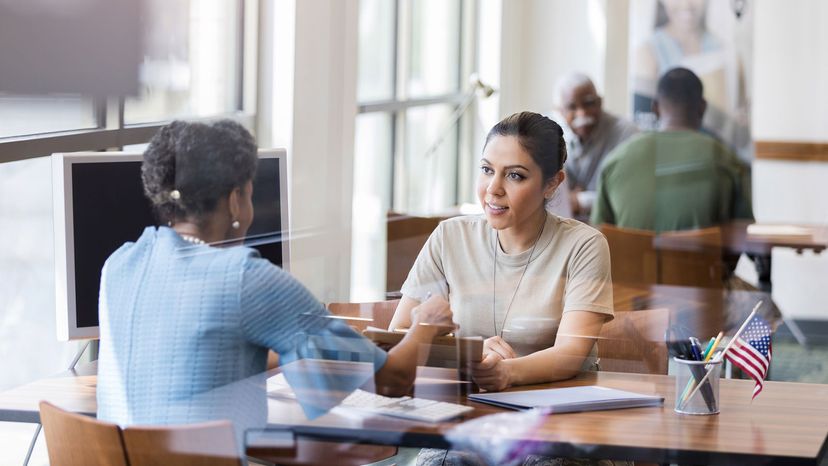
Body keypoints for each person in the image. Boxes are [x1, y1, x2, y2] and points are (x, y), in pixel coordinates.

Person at [96, 120, 454, 429]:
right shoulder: (246, 278)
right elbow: (391, 381)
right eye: (250, 194)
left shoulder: (119, 265)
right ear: (236, 200)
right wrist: (425, 326)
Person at [389, 111, 614, 393]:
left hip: (557, 411)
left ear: (552, 183)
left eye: (515, 175)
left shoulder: (584, 245)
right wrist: (469, 352)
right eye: (486, 170)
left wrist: (507, 372)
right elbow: (397, 335)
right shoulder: (449, 236)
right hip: (468, 404)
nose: (493, 189)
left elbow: (570, 353)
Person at [591, 67, 752, 232]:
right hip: (700, 258)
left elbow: (598, 234)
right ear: (703, 107)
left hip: (630, 258)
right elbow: (744, 234)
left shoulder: (615, 161)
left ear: (654, 107)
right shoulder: (727, 160)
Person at [553, 73, 638, 217]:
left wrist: (580, 201)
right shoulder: (551, 133)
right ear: (560, 111)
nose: (582, 114)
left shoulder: (626, 133)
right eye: (572, 107)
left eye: (588, 103)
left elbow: (631, 194)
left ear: (600, 102)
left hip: (609, 229)